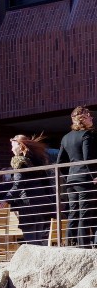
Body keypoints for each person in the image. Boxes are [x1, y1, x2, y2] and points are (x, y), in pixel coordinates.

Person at [0, 134, 53, 245]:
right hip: (40, 202)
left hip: (28, 204)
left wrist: (6, 199)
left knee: (31, 240)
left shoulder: (20, 162)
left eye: (13, 146)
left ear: (20, 146)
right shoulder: (35, 160)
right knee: (39, 242)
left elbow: (18, 184)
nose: (11, 149)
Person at [56, 106, 97, 248]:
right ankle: (83, 247)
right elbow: (88, 159)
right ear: (83, 119)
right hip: (86, 179)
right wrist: (95, 176)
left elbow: (60, 162)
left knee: (74, 212)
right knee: (84, 213)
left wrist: (70, 175)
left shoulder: (66, 137)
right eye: (89, 116)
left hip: (71, 180)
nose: (92, 118)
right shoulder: (87, 135)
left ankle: (70, 244)